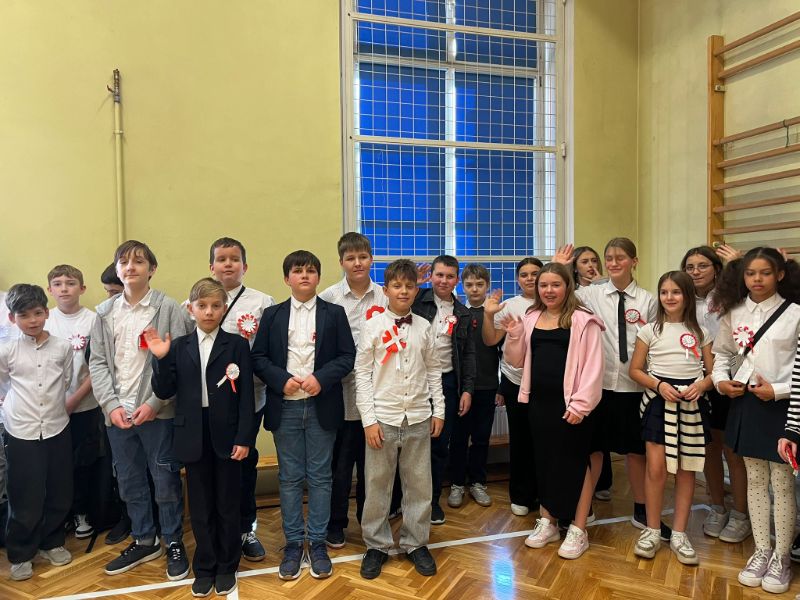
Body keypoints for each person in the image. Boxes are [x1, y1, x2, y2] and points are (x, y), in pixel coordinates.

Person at [251, 250, 355, 581]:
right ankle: (294, 543)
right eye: (298, 271)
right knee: (290, 477)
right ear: (287, 279)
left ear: (318, 277)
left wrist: (320, 378)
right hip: (286, 406)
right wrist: (281, 380)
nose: (305, 275)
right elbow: (258, 357)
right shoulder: (272, 315)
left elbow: (347, 356)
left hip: (321, 404)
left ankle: (318, 543)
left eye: (311, 270)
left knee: (321, 477)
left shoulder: (334, 313)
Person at [90, 240, 190, 580]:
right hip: (119, 415)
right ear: (117, 270)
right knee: (129, 480)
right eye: (124, 262)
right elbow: (98, 363)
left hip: (156, 414)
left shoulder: (168, 308)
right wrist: (111, 405)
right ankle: (145, 539)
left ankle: (173, 540)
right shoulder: (104, 313)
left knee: (165, 480)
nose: (130, 267)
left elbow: (179, 362)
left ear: (152, 269)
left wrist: (154, 403)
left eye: (138, 262)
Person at [148, 277, 255, 597]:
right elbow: (164, 391)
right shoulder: (179, 346)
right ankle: (205, 566)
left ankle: (227, 565)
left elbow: (246, 397)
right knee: (200, 505)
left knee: (227, 503)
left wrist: (244, 438)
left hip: (228, 435)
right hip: (192, 434)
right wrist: (160, 358)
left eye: (215, 305)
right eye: (202, 305)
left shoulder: (236, 345)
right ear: (191, 309)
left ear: (224, 308)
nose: (209, 311)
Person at [555, 240, 666, 539]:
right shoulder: (590, 294)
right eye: (609, 258)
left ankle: (641, 508)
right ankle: (584, 506)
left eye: (620, 258)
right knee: (593, 449)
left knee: (636, 451)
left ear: (634, 261)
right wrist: (561, 266)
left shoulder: (648, 300)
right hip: (598, 386)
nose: (614, 263)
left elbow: (654, 340)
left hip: (633, 386)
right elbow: (560, 294)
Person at [712, 247, 800, 594]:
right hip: (746, 404)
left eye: (765, 273)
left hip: (784, 408)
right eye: (751, 273)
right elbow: (724, 354)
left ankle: (782, 556)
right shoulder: (734, 312)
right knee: (755, 480)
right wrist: (722, 381)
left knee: (782, 484)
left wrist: (776, 391)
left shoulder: (795, 313)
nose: (757, 279)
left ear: (780, 274)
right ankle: (762, 551)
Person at [501, 263, 604, 559]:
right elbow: (515, 361)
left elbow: (594, 367)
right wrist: (515, 335)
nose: (548, 290)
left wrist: (580, 405)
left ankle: (579, 528)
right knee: (544, 461)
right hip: (539, 403)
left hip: (572, 405)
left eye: (555, 284)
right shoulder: (531, 317)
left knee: (575, 464)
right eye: (543, 285)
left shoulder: (584, 320)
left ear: (567, 286)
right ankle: (548, 521)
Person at [355, 259, 445, 579]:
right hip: (383, 418)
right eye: (397, 285)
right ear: (386, 289)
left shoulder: (424, 327)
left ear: (416, 289)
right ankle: (376, 545)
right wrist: (369, 420)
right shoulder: (373, 326)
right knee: (377, 484)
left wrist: (439, 410)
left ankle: (415, 542)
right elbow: (362, 375)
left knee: (419, 484)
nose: (403, 291)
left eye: (409, 286)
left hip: (418, 416)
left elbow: (434, 370)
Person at [629, 271, 713, 565]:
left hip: (691, 404)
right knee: (656, 469)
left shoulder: (702, 332)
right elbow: (635, 370)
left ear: (687, 296)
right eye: (664, 292)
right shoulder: (649, 330)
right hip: (659, 403)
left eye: (676, 292)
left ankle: (679, 533)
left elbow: (713, 373)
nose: (669, 297)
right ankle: (653, 530)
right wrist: (658, 385)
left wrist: (702, 385)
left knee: (687, 470)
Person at [204, 237, 274, 562]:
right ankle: (218, 529)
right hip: (209, 405)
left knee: (244, 462)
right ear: (211, 267)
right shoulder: (196, 301)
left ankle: (247, 529)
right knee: (214, 466)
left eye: (234, 259)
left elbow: (269, 351)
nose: (228, 264)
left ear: (245, 266)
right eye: (221, 259)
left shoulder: (262, 302)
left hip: (250, 400)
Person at [0, 284, 74, 581]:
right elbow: (4, 384)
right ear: (12, 318)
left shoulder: (63, 347)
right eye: (24, 315)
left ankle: (52, 542)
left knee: (59, 490)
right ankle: (20, 553)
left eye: (37, 313)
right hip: (21, 430)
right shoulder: (6, 351)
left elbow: (66, 380)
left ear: (46, 312)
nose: (32, 320)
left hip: (57, 426)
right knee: (24, 495)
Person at [319, 232, 386, 548]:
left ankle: (370, 522)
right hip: (341, 396)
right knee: (340, 467)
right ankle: (336, 524)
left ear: (371, 259)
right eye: (350, 258)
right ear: (341, 262)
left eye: (363, 257)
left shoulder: (384, 296)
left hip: (378, 397)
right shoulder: (329, 298)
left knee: (373, 469)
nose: (357, 263)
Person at [680, 245, 750, 543]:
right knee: (709, 448)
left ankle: (741, 514)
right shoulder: (683, 299)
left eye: (702, 266)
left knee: (732, 451)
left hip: (729, 380)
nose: (695, 271)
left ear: (717, 269)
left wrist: (737, 265)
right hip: (697, 382)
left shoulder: (730, 297)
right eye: (690, 267)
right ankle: (717, 507)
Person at [411, 255, 475, 524]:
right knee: (411, 445)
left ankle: (432, 501)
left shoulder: (462, 313)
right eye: (439, 275)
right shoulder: (417, 300)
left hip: (446, 384)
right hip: (414, 381)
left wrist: (467, 390)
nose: (444, 281)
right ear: (432, 276)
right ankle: (405, 501)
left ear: (456, 279)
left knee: (438, 445)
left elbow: (468, 354)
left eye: (450, 276)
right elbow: (393, 306)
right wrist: (415, 283)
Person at [482, 257, 543, 516]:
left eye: (535, 273)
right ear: (518, 279)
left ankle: (545, 495)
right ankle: (521, 495)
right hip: (514, 381)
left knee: (544, 440)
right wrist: (488, 315)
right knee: (520, 440)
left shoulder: (554, 303)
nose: (529, 278)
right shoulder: (509, 306)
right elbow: (490, 340)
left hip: (546, 383)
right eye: (524, 274)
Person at [447, 263, 501, 509]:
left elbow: (503, 353)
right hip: (461, 390)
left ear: (487, 285)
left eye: (479, 284)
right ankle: (457, 483)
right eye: (469, 284)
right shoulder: (457, 314)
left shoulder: (495, 314)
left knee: (481, 438)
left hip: (488, 386)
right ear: (462, 286)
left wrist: (500, 388)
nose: (475, 289)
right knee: (459, 438)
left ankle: (478, 482)